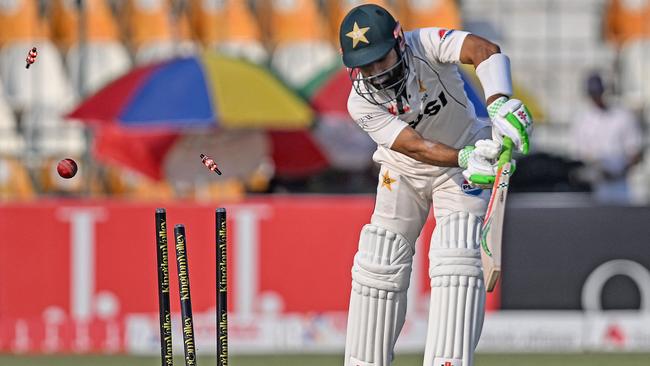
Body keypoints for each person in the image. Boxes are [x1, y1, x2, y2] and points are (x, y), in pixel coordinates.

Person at [338, 4, 533, 366]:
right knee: (380, 260)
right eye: (365, 66)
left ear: (398, 42)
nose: (376, 73)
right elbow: (413, 146)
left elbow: (483, 51)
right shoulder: (358, 103)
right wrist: (463, 158)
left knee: (456, 255)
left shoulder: (425, 44)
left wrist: (500, 106)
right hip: (405, 170)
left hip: (463, 155)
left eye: (381, 59)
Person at [570, 72, 643, 204]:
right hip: (594, 185)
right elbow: (579, 155)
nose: (596, 97)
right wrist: (597, 168)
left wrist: (620, 171)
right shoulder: (583, 120)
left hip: (620, 184)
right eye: (593, 93)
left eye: (598, 92)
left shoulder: (622, 116)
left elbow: (635, 151)